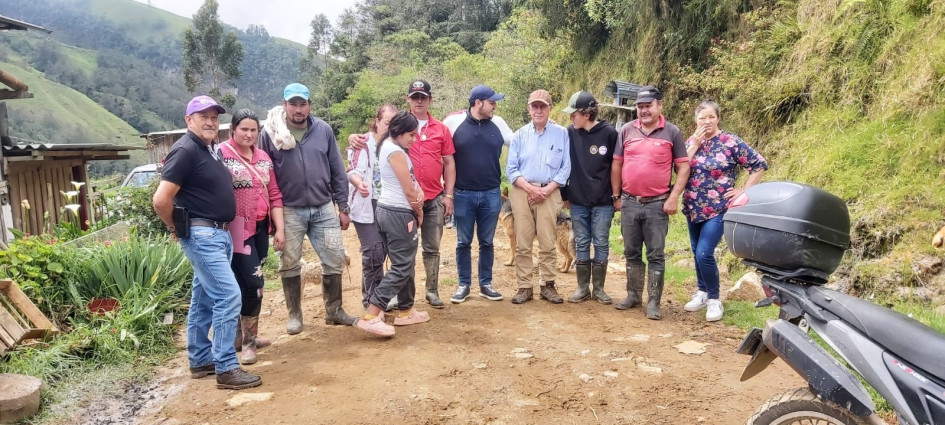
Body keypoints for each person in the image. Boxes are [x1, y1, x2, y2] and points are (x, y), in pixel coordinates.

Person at [152, 95, 261, 390]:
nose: (210, 121)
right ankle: (226, 367)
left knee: (203, 300)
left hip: (218, 234)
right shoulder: (185, 150)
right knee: (229, 296)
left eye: (214, 116)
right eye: (203, 116)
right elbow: (161, 199)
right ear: (189, 120)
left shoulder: (208, 149)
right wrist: (176, 226)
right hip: (203, 235)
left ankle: (201, 359)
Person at [348, 80, 456, 309]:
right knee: (395, 255)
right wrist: (356, 138)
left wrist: (449, 194)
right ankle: (390, 302)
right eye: (414, 97)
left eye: (423, 97)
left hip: (431, 196)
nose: (419, 101)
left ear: (430, 99)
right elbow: (374, 137)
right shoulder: (398, 128)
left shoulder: (440, 129)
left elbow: (448, 162)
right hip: (402, 204)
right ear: (408, 99)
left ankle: (428, 293)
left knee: (430, 248)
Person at [259, 83, 356, 334]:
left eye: (303, 104)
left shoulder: (323, 130)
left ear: (310, 105)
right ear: (284, 105)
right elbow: (263, 173)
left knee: (335, 257)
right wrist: (271, 214)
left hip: (324, 207)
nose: (298, 109)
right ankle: (295, 315)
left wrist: (343, 206)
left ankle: (334, 311)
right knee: (289, 261)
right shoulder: (270, 133)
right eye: (293, 104)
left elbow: (337, 169)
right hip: (289, 210)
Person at [682, 100, 767, 322]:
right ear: (696, 121)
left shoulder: (730, 141)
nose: (706, 121)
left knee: (704, 253)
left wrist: (743, 192)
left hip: (718, 208)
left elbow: (759, 164)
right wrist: (695, 144)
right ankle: (701, 292)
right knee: (695, 251)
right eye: (702, 118)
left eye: (711, 117)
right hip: (692, 206)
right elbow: (680, 167)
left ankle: (714, 299)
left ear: (718, 118)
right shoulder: (692, 141)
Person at [611, 85, 690, 320]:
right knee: (631, 251)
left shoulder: (672, 132)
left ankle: (653, 302)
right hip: (629, 202)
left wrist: (674, 196)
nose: (644, 111)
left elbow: (683, 167)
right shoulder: (626, 130)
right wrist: (616, 196)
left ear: (659, 106)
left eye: (648, 106)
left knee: (656, 254)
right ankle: (633, 295)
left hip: (657, 204)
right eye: (640, 107)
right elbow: (617, 164)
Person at [219, 109, 285, 365]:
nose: (248, 134)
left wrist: (279, 229)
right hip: (235, 231)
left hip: (259, 230)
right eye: (243, 129)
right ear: (233, 130)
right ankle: (246, 343)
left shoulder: (264, 158)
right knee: (252, 285)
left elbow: (275, 194)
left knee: (250, 284)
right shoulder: (221, 155)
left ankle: (246, 335)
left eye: (253, 130)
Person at [356, 111, 429, 337]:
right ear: (398, 132)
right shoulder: (395, 151)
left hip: (387, 210)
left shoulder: (386, 146)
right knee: (402, 266)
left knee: (402, 261)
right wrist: (419, 212)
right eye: (411, 135)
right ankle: (371, 314)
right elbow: (408, 190)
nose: (414, 139)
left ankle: (406, 310)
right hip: (399, 213)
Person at [442, 85, 513, 304]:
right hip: (462, 193)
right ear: (478, 103)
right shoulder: (453, 123)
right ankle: (463, 284)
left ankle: (486, 283)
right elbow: (439, 152)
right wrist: (447, 191)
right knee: (463, 242)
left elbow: (521, 142)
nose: (495, 106)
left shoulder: (499, 123)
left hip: (491, 193)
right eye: (492, 102)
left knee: (487, 242)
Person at [506, 89, 571, 304]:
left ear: (550, 108)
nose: (539, 110)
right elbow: (512, 169)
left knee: (547, 240)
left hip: (550, 192)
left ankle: (548, 285)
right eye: (535, 106)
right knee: (523, 241)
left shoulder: (561, 133)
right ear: (529, 109)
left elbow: (565, 168)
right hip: (523, 191)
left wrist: (546, 189)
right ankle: (524, 286)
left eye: (543, 106)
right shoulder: (519, 135)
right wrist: (532, 189)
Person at [560, 90, 618, 304]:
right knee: (582, 241)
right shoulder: (570, 133)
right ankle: (582, 288)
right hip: (578, 200)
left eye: (573, 114)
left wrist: (616, 195)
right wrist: (565, 193)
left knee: (601, 242)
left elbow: (616, 166)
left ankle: (599, 289)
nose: (571, 118)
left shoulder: (609, 133)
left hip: (603, 200)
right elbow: (563, 165)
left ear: (586, 113)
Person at [347, 105, 397, 309]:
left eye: (394, 124)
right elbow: (351, 170)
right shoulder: (363, 142)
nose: (390, 128)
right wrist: (359, 183)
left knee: (382, 251)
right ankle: (372, 302)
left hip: (387, 205)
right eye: (386, 123)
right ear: (376, 121)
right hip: (365, 203)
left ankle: (376, 296)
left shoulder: (395, 144)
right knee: (373, 251)